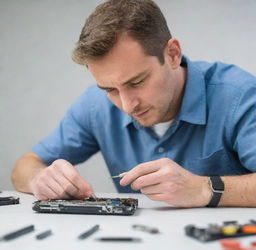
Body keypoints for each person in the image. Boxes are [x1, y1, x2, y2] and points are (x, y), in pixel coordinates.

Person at [11, 0, 256, 208]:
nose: (127, 106)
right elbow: (25, 166)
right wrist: (39, 179)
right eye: (109, 89)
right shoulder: (95, 106)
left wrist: (205, 189)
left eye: (137, 82)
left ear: (172, 54)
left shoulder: (239, 96)